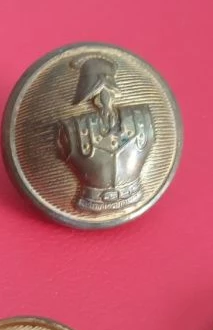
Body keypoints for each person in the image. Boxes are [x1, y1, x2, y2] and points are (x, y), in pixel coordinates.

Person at [58, 55, 155, 212]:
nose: (104, 95)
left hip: (131, 195)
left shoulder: (142, 116)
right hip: (92, 201)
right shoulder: (70, 127)